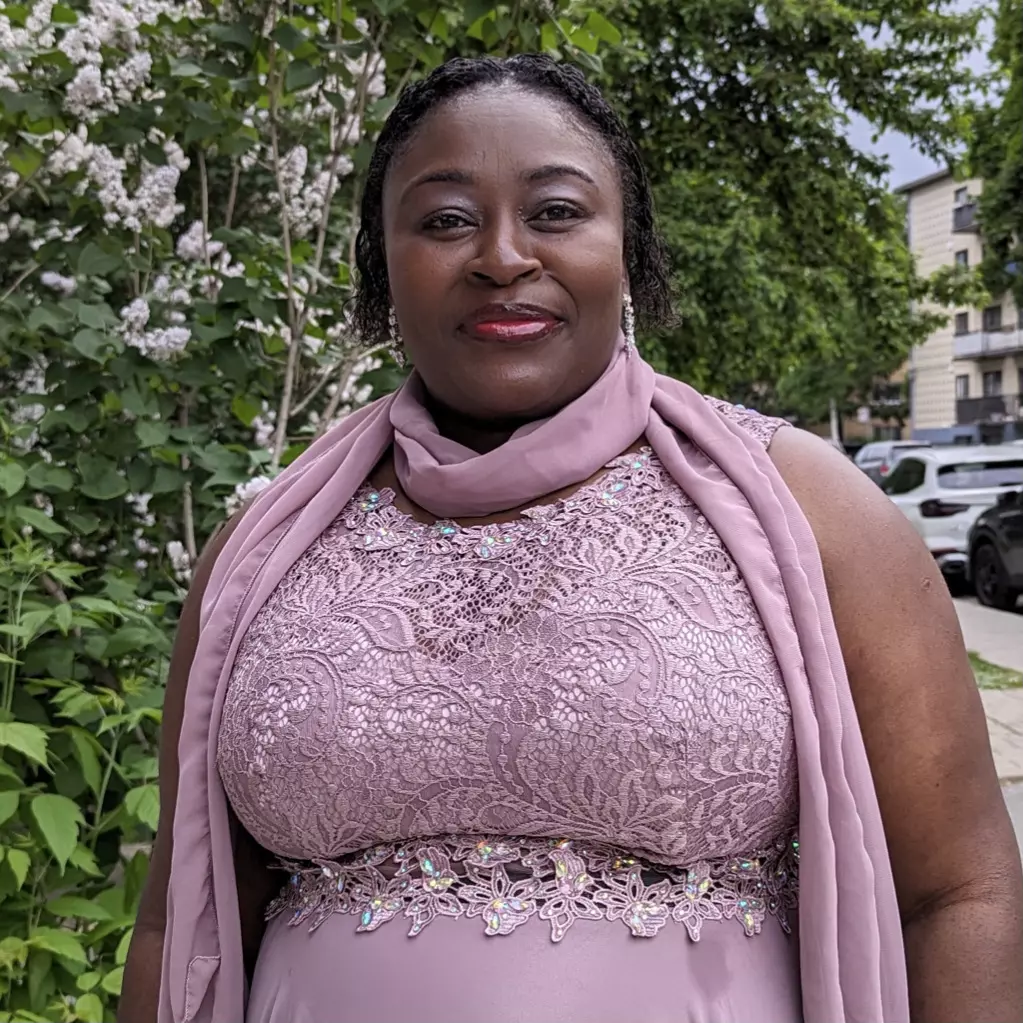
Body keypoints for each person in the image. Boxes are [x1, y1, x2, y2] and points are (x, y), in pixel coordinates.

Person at [121, 55, 1023, 1023]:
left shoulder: (811, 511)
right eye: (446, 220)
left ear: (627, 249)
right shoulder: (261, 551)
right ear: (381, 267)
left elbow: (957, 894)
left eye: (555, 211)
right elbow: (183, 920)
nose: (503, 257)